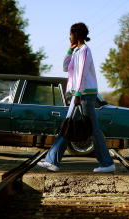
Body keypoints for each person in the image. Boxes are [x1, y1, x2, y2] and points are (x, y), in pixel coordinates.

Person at [38, 22, 115, 173]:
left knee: (93, 129)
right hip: (78, 94)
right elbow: (65, 67)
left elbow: (81, 74)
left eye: (71, 34)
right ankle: (52, 161)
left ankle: (106, 163)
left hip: (84, 94)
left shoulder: (85, 50)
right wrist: (69, 50)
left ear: (77, 35)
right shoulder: (76, 51)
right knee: (68, 126)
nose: (69, 36)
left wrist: (78, 94)